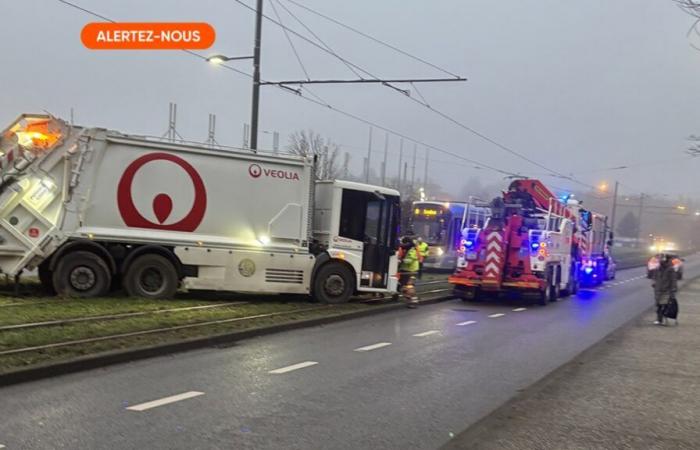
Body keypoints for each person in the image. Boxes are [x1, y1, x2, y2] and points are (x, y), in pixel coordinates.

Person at [652, 253, 677, 325]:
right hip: (658, 290)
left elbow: (673, 280)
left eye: (662, 260)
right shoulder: (658, 269)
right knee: (658, 305)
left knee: (665, 305)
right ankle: (659, 319)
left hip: (667, 290)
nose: (660, 261)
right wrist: (654, 283)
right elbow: (654, 277)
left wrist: (673, 289)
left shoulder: (671, 269)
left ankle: (664, 319)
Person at [398, 236, 420, 308]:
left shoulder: (412, 250)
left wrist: (400, 261)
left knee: (409, 286)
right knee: (404, 286)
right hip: (407, 270)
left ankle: (413, 301)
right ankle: (410, 299)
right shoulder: (409, 249)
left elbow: (409, 260)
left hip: (411, 271)